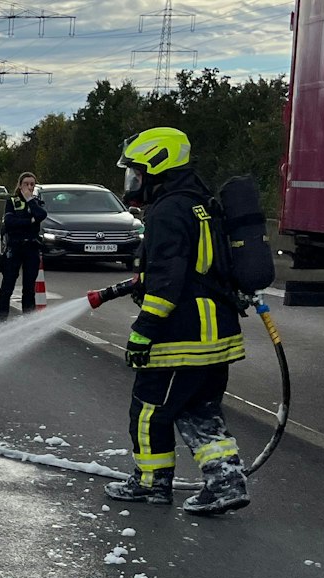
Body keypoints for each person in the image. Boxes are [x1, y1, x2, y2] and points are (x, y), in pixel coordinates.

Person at [104, 126, 250, 516]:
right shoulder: (201, 203)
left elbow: (169, 279)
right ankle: (226, 483)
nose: (133, 180)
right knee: (199, 408)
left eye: (136, 171)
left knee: (151, 409)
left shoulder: (168, 210)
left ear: (157, 164)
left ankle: (151, 484)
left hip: (182, 334)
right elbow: (195, 266)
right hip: (217, 332)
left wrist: (143, 330)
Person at [0, 172, 47, 318]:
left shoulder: (35, 202)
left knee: (29, 288)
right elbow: (10, 222)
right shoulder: (12, 201)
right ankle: (2, 320)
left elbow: (41, 215)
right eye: (26, 184)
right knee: (7, 286)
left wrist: (30, 200)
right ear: (19, 185)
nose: (29, 187)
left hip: (31, 249)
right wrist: (29, 221)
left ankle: (27, 320)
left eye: (32, 184)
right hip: (15, 247)